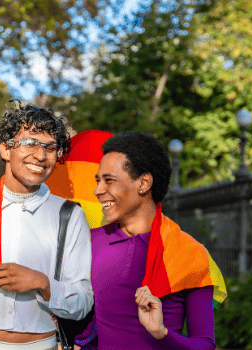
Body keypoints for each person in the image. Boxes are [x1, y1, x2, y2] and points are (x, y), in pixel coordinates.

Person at [0, 101, 93, 350]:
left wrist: (43, 283)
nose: (41, 156)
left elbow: (83, 302)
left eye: (50, 147)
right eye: (30, 143)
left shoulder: (69, 216)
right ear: (5, 149)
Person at [74, 131, 227, 349]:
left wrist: (161, 333)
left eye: (109, 181)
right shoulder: (88, 242)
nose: (97, 190)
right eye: (98, 181)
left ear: (144, 183)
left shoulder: (189, 253)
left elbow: (205, 345)